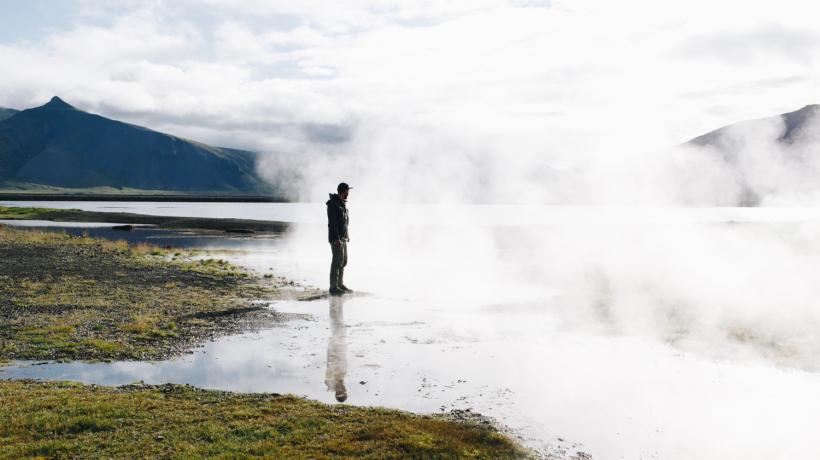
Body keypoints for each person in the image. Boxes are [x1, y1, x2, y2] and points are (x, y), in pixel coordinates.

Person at [327, 182, 352, 295]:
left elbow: (344, 223)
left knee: (343, 261)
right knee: (337, 261)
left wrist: (347, 235)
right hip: (336, 238)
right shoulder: (333, 204)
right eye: (347, 191)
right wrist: (336, 238)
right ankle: (333, 287)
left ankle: (340, 284)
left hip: (343, 237)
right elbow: (333, 223)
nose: (348, 193)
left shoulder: (342, 203)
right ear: (343, 191)